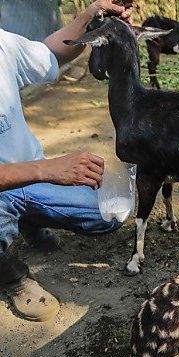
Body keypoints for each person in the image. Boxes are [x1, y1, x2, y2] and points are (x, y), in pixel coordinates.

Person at [0, 1, 132, 322]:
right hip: (23, 179)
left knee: (107, 215)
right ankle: (12, 276)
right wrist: (48, 168)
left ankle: (26, 219)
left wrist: (88, 18)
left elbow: (49, 54)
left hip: (30, 178)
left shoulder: (2, 44)